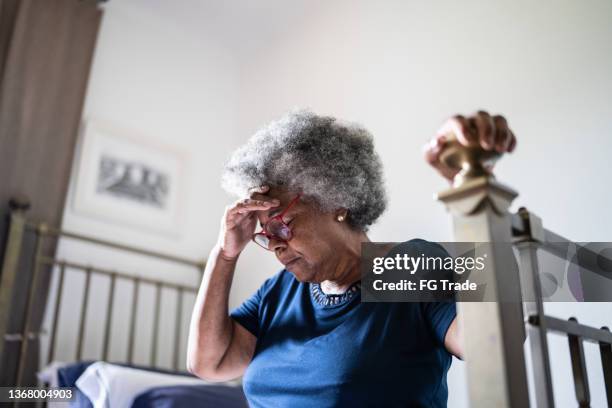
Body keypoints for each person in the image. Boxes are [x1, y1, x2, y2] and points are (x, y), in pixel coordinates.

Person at [187, 110, 517, 407]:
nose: (274, 245)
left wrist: (473, 188)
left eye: (282, 226)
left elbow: (490, 344)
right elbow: (209, 364)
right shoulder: (279, 292)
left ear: (337, 201)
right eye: (265, 234)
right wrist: (225, 254)